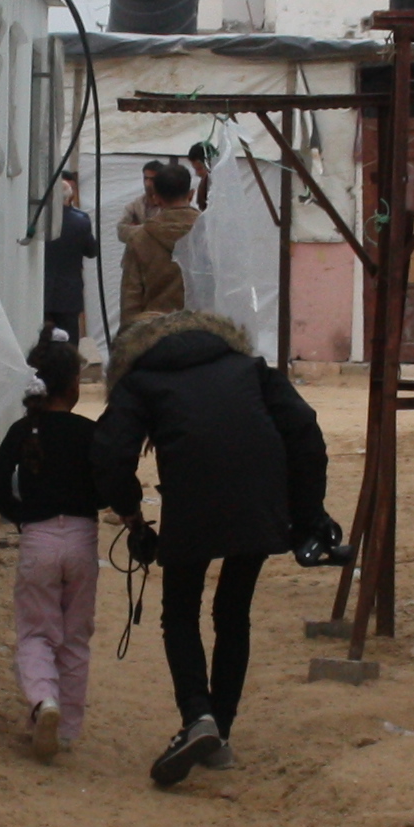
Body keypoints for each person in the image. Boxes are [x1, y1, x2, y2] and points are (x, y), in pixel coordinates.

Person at [94, 305, 332, 788]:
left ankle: (197, 717)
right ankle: (219, 734)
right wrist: (308, 514)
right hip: (259, 499)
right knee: (233, 612)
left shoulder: (141, 381)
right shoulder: (248, 368)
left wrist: (132, 515)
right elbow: (305, 430)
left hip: (193, 500)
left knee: (180, 613)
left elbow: (110, 453)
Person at [0, 335, 104, 759]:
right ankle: (68, 728)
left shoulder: (22, 431)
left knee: (36, 630)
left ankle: (43, 701)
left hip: (38, 540)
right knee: (75, 635)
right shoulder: (90, 433)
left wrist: (23, 515)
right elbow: (107, 483)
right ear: (73, 386)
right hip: (82, 539)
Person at [114, 157, 201, 330]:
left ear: (157, 198)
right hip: (202, 331)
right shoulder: (210, 232)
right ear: (191, 195)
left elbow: (131, 300)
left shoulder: (140, 239)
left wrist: (128, 343)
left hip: (155, 334)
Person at [40, 171, 97, 347]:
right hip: (69, 292)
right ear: (70, 196)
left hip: (41, 289)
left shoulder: (39, 219)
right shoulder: (81, 221)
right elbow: (91, 250)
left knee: (43, 340)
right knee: (69, 341)